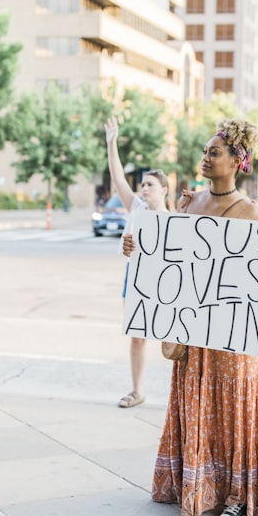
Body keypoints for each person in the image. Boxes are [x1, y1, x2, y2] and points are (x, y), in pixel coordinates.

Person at [123, 119, 258, 516]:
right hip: (195, 334)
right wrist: (137, 248)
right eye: (206, 151)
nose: (206, 157)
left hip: (233, 340)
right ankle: (198, 483)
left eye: (215, 152)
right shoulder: (189, 204)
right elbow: (171, 266)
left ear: (237, 161)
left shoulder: (250, 212)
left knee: (232, 409)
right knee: (199, 403)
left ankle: (236, 493)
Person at [104, 115, 170, 408]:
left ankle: (180, 394)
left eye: (150, 185)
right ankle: (137, 390)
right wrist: (112, 143)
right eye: (142, 184)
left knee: (173, 340)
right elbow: (117, 178)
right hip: (135, 280)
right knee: (137, 336)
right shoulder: (137, 208)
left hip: (164, 284)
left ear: (164, 190)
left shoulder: (173, 220)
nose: (144, 189)